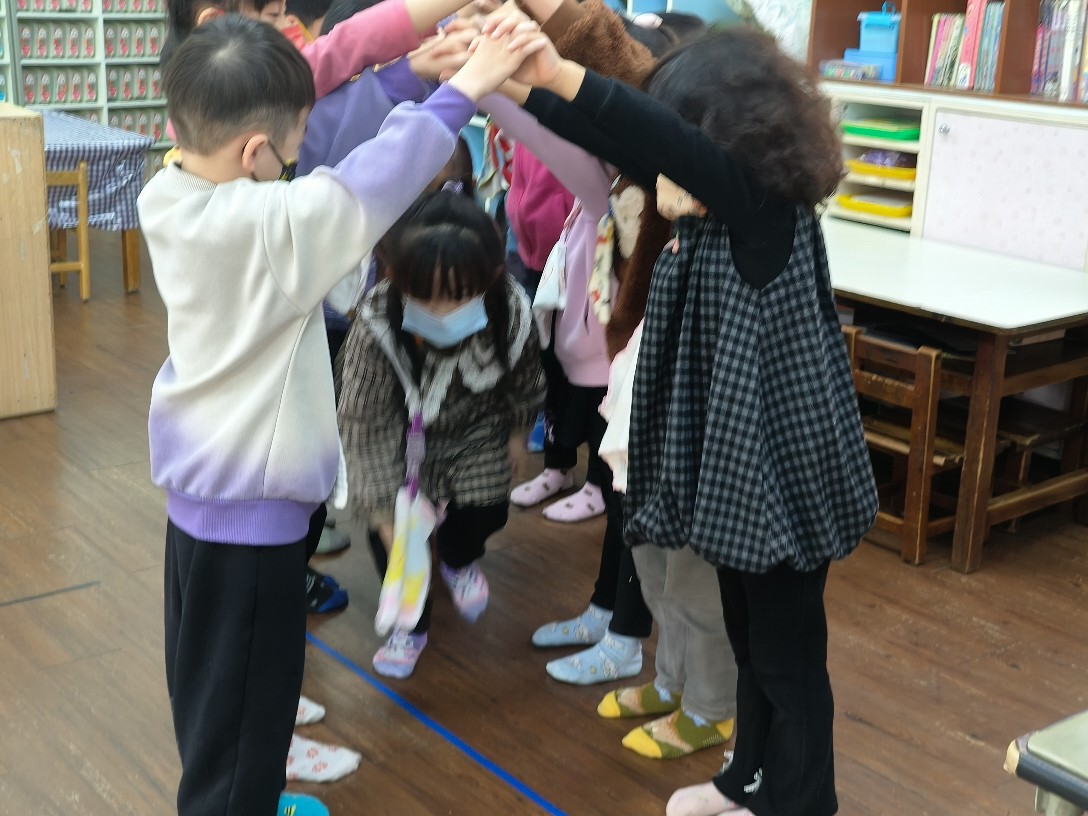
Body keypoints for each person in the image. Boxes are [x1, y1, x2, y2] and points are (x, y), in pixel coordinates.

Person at [491, 18, 878, 815]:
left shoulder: (763, 209)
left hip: (783, 479)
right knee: (751, 642)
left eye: (684, 142)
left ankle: (802, 802)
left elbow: (654, 134)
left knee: (787, 659)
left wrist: (559, 72)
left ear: (728, 140)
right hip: (743, 474)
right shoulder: (713, 209)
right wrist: (515, 83)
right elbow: (616, 136)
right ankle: (747, 780)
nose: (662, 167)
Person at [141, 16, 525, 816]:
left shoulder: (169, 192)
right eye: (289, 153)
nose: (297, 164)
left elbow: (330, 162)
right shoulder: (269, 231)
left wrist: (411, 73)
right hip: (253, 531)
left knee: (216, 706)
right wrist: (463, 88)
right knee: (246, 732)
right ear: (255, 155)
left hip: (198, 516)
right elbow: (368, 180)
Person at [338, 190, 546, 679]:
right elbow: (364, 424)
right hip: (402, 439)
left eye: (457, 295)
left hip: (478, 429)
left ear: (489, 279)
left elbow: (527, 381)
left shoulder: (511, 312)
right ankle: (410, 627)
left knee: (488, 508)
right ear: (398, 279)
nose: (441, 310)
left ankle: (456, 557)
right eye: (424, 295)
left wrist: (518, 435)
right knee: (396, 540)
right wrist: (382, 512)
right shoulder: (376, 325)